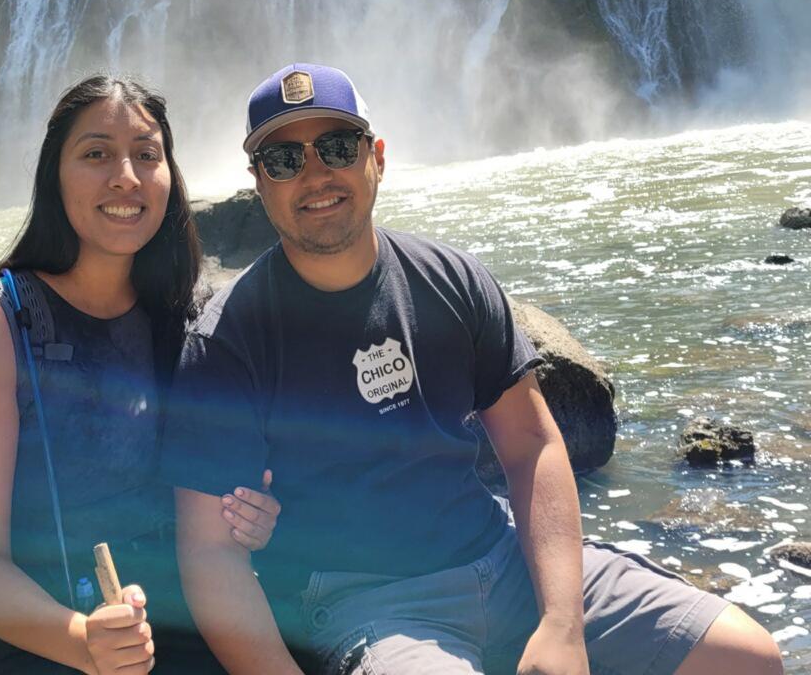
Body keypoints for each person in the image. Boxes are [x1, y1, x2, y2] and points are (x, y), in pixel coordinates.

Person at [161, 63, 784, 675]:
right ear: (259, 182)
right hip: (371, 604)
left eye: (336, 146)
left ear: (377, 155)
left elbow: (533, 445)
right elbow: (209, 551)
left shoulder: (452, 280)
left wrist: (561, 624)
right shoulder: (227, 341)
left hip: (503, 558)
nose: (315, 173)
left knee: (747, 657)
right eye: (284, 160)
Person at [0, 75, 282, 675]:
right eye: (96, 154)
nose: (126, 176)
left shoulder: (191, 321)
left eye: (146, 154)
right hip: (35, 647)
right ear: (53, 176)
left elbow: (214, 519)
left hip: (186, 633)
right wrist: (84, 641)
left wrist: (252, 518)